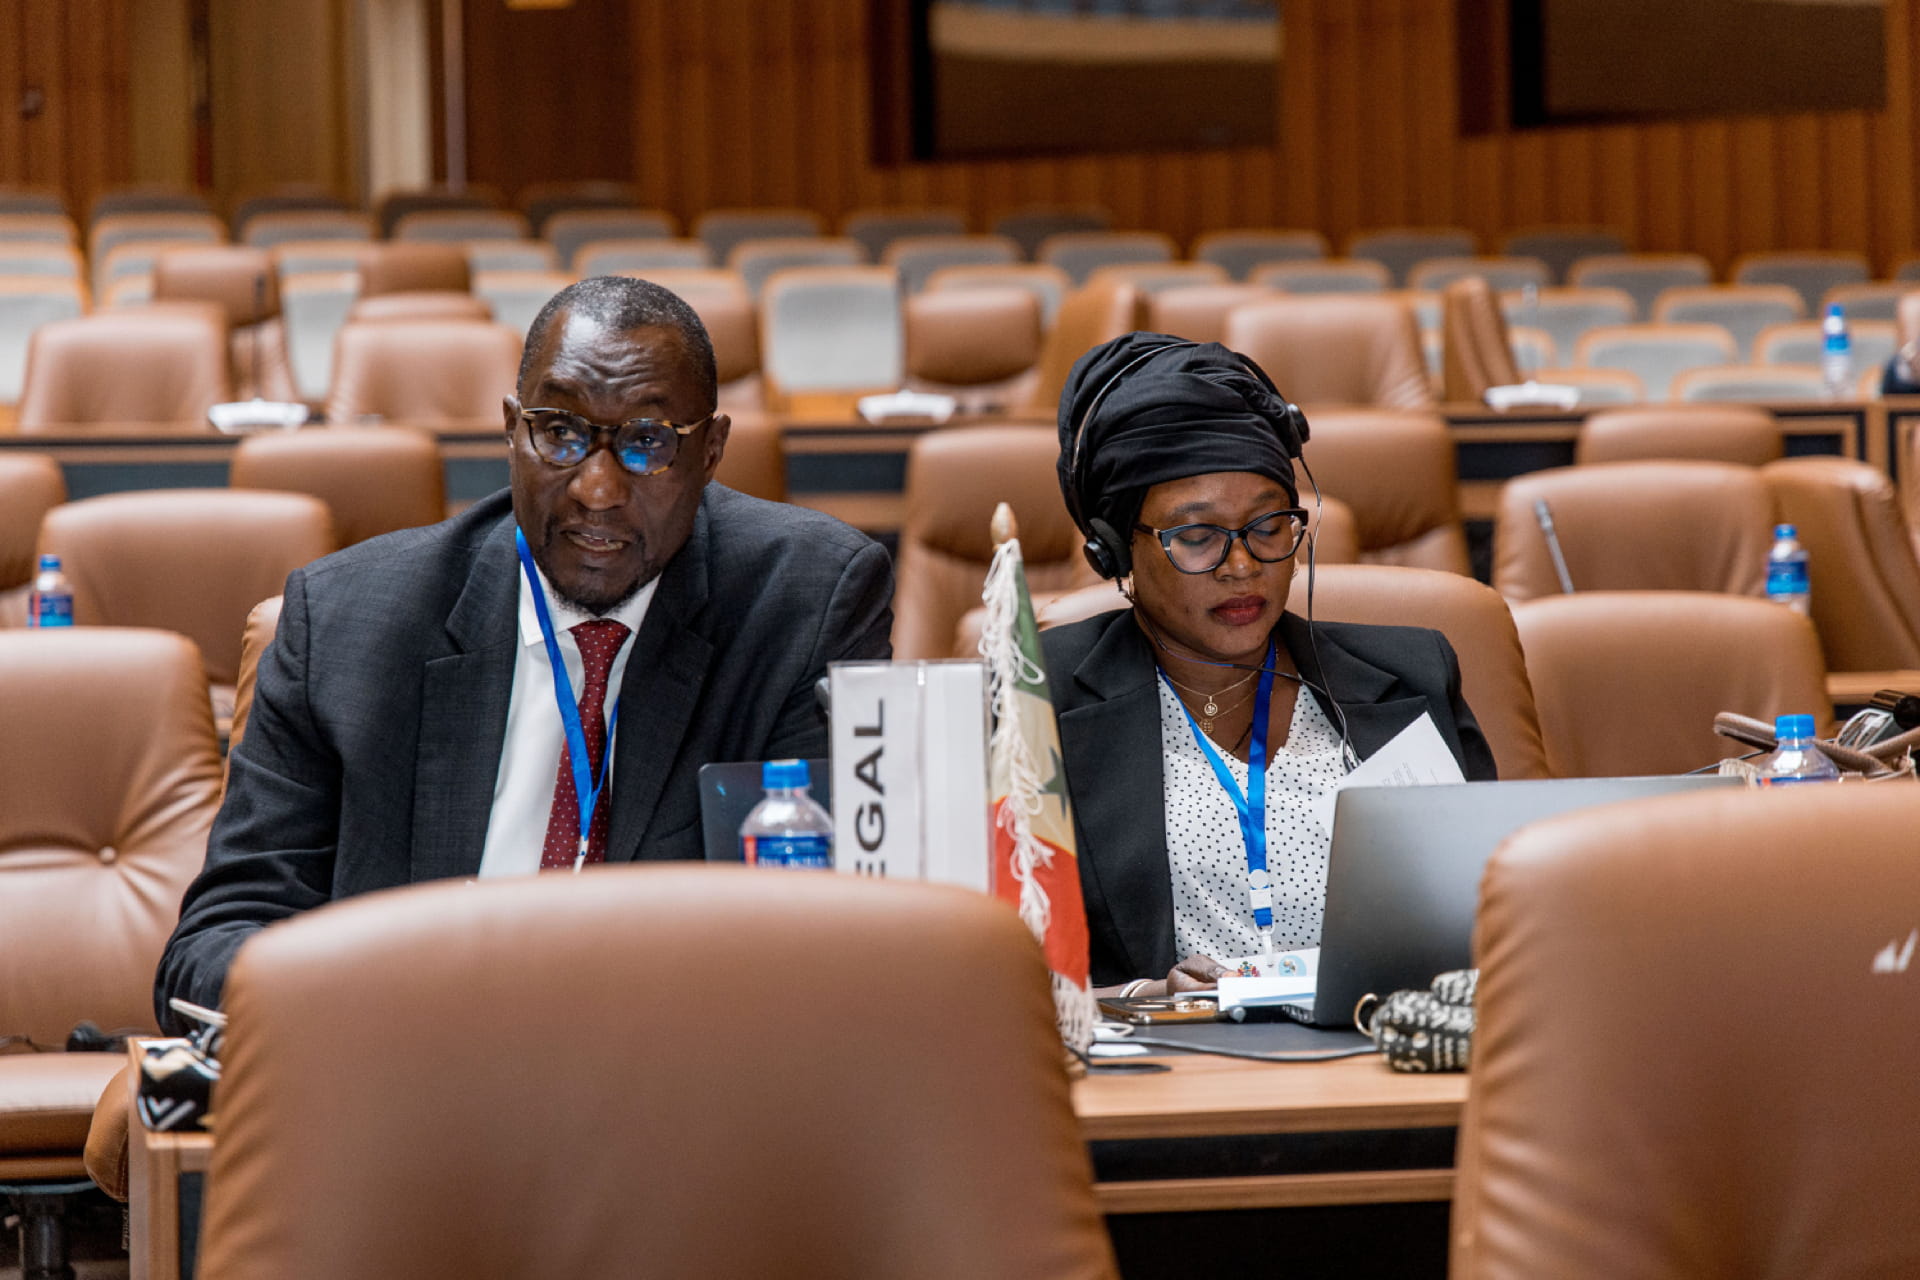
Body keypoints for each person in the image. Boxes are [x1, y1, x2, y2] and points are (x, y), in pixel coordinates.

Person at [155, 276, 893, 1031]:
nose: (597, 490)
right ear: (512, 431)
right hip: (411, 1064)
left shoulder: (805, 605)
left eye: (647, 443)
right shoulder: (346, 626)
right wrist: (392, 1010)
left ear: (709, 451)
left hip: (670, 1073)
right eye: (560, 432)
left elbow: (828, 939)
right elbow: (215, 945)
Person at [1040, 333, 1496, 997]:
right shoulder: (1042, 697)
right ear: (1113, 551)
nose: (1242, 565)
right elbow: (994, 962)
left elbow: (1499, 912)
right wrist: (1140, 999)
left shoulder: (1414, 673)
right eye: (1197, 536)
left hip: (1383, 1042)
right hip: (1172, 1055)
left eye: (1268, 526)